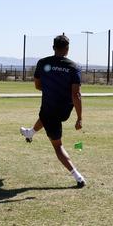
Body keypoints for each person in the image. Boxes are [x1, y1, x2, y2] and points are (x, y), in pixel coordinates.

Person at [20, 34, 86, 187]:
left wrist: (50, 89)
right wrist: (79, 117)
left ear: (53, 47)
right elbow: (76, 94)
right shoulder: (73, 67)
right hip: (65, 109)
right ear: (67, 49)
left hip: (50, 108)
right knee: (44, 116)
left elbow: (37, 86)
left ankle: (78, 177)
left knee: (57, 145)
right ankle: (30, 133)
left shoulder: (43, 63)